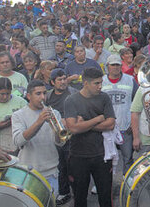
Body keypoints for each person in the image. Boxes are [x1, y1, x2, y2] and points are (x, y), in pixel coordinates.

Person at [64, 67, 116, 207]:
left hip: (102, 155)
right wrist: (97, 119)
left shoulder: (104, 97)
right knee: (80, 198)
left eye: (101, 83)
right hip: (78, 156)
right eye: (96, 83)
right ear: (85, 83)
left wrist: (85, 124)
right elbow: (73, 128)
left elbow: (110, 124)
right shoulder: (71, 100)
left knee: (105, 197)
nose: (100, 86)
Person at [12, 80, 63, 194]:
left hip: (51, 170)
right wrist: (39, 122)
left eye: (44, 93)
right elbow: (18, 141)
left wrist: (57, 131)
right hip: (28, 172)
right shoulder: (18, 115)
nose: (43, 97)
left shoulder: (54, 113)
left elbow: (60, 143)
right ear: (29, 96)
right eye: (38, 94)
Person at [101, 54, 138, 174]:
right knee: (106, 158)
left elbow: (137, 102)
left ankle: (126, 182)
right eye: (113, 65)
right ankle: (106, 182)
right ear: (108, 66)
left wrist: (133, 124)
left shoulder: (130, 80)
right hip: (107, 128)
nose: (115, 67)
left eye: (118, 65)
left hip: (125, 127)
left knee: (127, 158)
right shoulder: (101, 81)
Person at [46, 68, 76, 205]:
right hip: (54, 135)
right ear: (52, 82)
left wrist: (68, 120)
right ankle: (64, 192)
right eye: (59, 80)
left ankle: (77, 191)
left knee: (73, 165)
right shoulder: (47, 96)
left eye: (64, 78)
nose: (63, 82)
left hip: (72, 136)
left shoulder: (73, 93)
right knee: (60, 166)